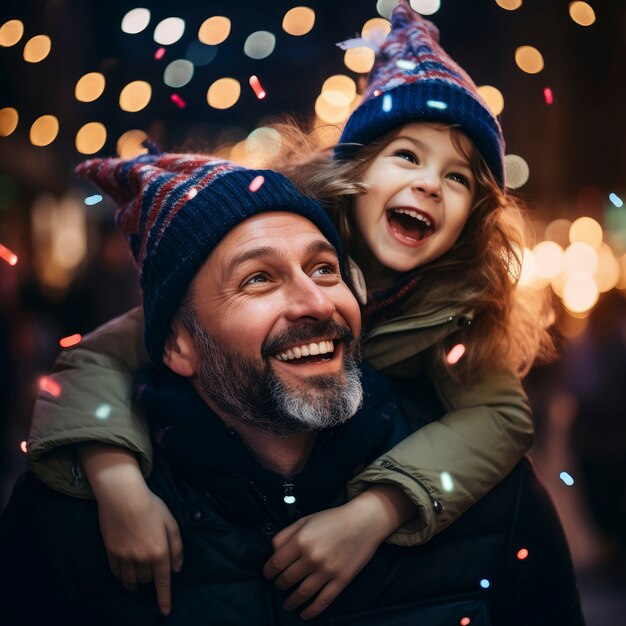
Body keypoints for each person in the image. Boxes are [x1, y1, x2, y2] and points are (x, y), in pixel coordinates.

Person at [25, 1, 554, 619]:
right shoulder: (280, 224)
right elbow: (97, 359)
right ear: (356, 168)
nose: (431, 184)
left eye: (459, 178)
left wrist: (376, 509)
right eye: (407, 156)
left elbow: (498, 417)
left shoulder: (451, 310)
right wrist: (115, 478)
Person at [0, 151, 584, 626]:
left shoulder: (490, 498)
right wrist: (115, 479)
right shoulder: (66, 524)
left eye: (325, 268)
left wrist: (382, 508)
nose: (314, 302)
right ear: (178, 345)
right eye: (259, 279)